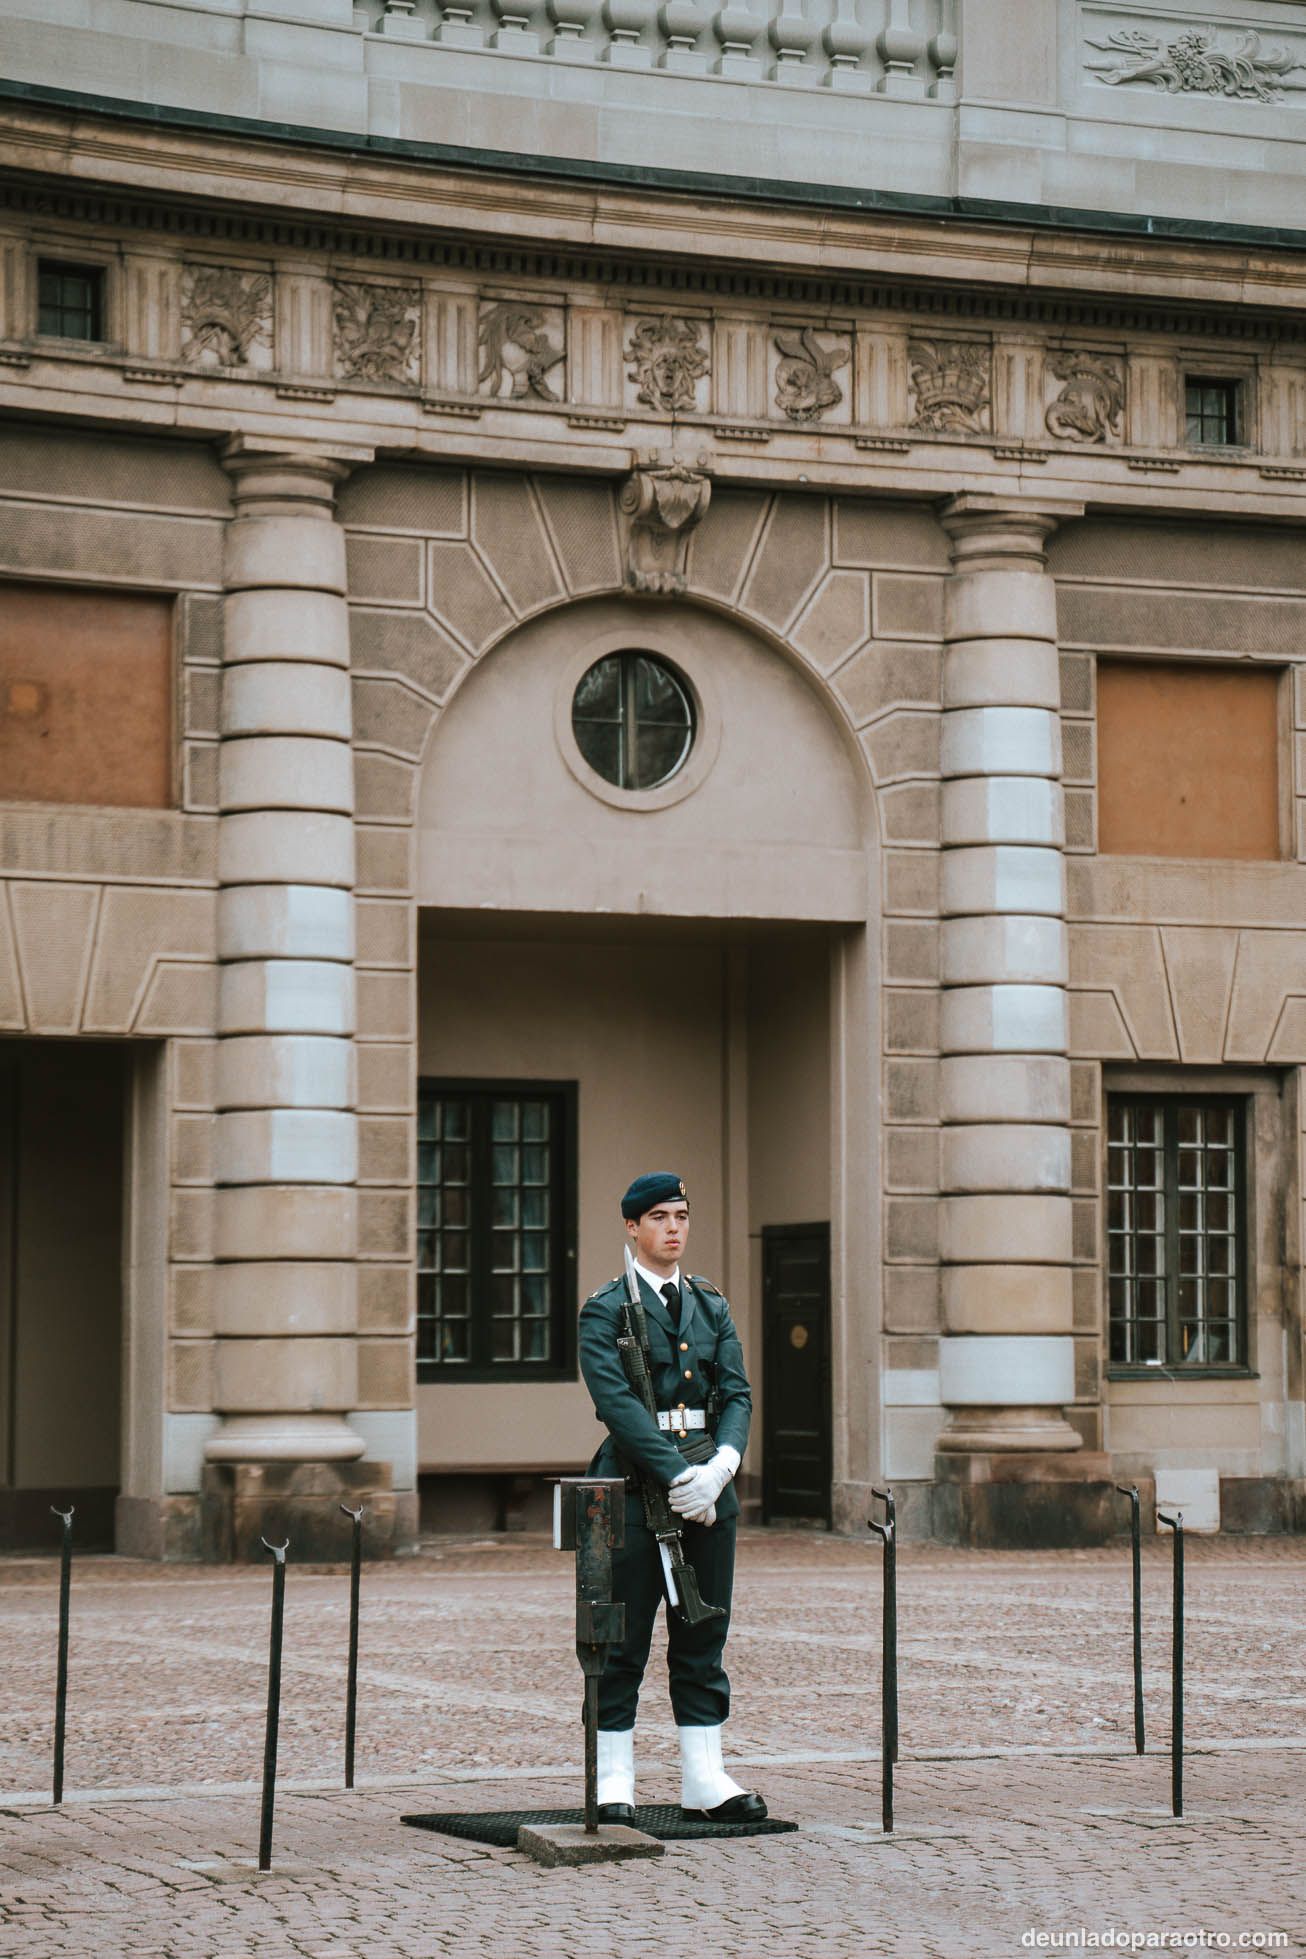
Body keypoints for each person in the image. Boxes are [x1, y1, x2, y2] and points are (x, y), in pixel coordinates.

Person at [578, 1170, 767, 1824]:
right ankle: (613, 1774)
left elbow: (736, 1393)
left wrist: (722, 1465)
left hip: (707, 1487)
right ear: (632, 1225)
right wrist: (677, 1475)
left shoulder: (711, 1304)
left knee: (702, 1628)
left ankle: (703, 1773)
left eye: (681, 1214)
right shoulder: (605, 1308)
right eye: (659, 1216)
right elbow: (618, 1406)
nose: (674, 1227)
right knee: (618, 1637)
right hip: (630, 1489)